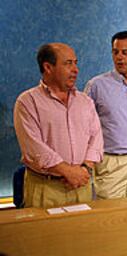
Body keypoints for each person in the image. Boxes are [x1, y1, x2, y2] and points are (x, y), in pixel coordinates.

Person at [14, 43, 103, 208]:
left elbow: (96, 137)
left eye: (76, 63)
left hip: (81, 184)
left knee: (84, 232)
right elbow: (34, 148)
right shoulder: (28, 102)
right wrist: (68, 172)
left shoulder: (85, 102)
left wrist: (83, 169)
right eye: (68, 63)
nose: (75, 69)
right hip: (46, 188)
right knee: (44, 234)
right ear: (48, 67)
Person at [85, 31, 127, 199]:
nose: (119, 58)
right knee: (110, 218)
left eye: (125, 52)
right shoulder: (96, 86)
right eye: (115, 52)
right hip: (111, 162)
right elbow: (83, 126)